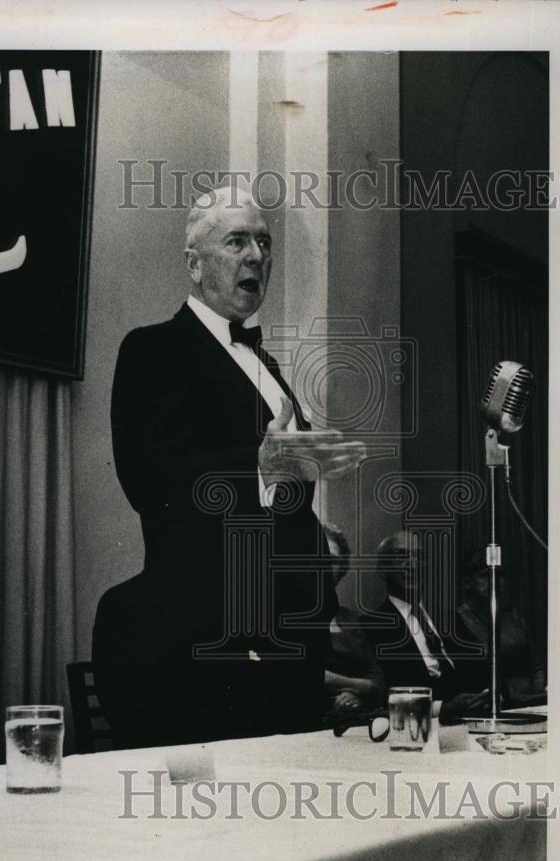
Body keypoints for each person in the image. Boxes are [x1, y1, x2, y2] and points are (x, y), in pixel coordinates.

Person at [93, 186, 366, 748]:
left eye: (264, 243)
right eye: (237, 241)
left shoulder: (265, 365)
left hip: (291, 642)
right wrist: (257, 466)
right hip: (210, 641)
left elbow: (283, 501)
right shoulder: (154, 350)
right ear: (194, 264)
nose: (257, 257)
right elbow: (150, 478)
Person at [362, 530, 489, 723]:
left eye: (419, 557)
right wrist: (442, 708)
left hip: (472, 719)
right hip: (418, 725)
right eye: (401, 556)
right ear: (382, 569)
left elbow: (481, 667)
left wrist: (486, 695)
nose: (412, 565)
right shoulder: (371, 626)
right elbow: (384, 692)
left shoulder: (448, 617)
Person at [456, 548, 547, 708]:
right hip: (488, 706)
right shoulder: (458, 621)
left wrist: (535, 694)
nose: (494, 580)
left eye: (500, 575)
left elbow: (537, 666)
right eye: (485, 575)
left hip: (531, 702)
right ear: (467, 582)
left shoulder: (514, 616)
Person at [320, 524, 386, 725]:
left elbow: (378, 679)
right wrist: (360, 687)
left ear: (343, 569)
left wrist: (356, 695)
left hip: (352, 722)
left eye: (331, 560)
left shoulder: (349, 619)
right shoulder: (282, 618)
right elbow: (302, 675)